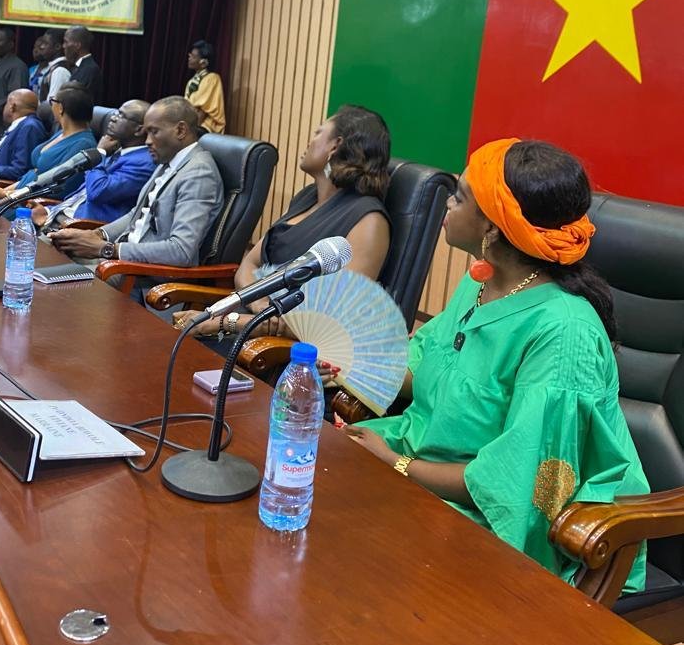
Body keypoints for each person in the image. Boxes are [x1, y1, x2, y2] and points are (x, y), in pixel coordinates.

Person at [346, 137, 648, 589]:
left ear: (492, 226)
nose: (448, 203)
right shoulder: (480, 282)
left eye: (460, 196)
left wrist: (396, 464)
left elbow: (516, 485)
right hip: (415, 468)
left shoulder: (563, 332)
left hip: (492, 524)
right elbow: (428, 371)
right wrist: (352, 366)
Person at [176, 105, 391, 342]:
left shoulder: (369, 221)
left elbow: (332, 320)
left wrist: (222, 322)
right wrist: (260, 304)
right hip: (252, 323)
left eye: (318, 133)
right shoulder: (307, 197)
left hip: (282, 349)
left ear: (335, 145)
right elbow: (249, 264)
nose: (310, 141)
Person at [50, 96, 223, 287]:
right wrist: (98, 235)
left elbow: (181, 251)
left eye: (154, 132)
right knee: (50, 254)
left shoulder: (199, 172)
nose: (147, 141)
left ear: (181, 130)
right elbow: (137, 214)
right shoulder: (168, 161)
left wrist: (107, 249)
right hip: (121, 263)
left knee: (53, 282)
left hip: (143, 278)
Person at [32, 100, 155, 228]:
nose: (113, 118)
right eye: (116, 113)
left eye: (121, 116)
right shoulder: (117, 150)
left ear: (139, 129)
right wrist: (49, 211)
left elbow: (98, 191)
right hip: (64, 216)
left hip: (82, 227)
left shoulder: (143, 163)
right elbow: (82, 194)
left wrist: (98, 154)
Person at [0, 81, 96, 202]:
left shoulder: (84, 144)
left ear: (61, 108)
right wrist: (5, 191)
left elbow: (58, 186)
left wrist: (8, 194)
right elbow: (33, 175)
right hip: (16, 194)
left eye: (52, 101)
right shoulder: (61, 133)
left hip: (30, 204)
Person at [185, 40, 226, 134]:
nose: (189, 58)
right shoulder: (192, 81)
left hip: (205, 127)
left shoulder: (212, 78)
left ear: (203, 62)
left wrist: (192, 132)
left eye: (193, 56)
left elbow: (202, 111)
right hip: (192, 123)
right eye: (190, 55)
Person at [63, 26, 103, 104]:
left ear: (78, 45)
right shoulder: (79, 67)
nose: (63, 46)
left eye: (66, 42)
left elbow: (76, 101)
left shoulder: (90, 70)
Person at [32, 30, 69, 103]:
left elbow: (52, 103)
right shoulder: (54, 68)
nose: (41, 47)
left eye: (46, 44)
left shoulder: (60, 71)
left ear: (57, 47)